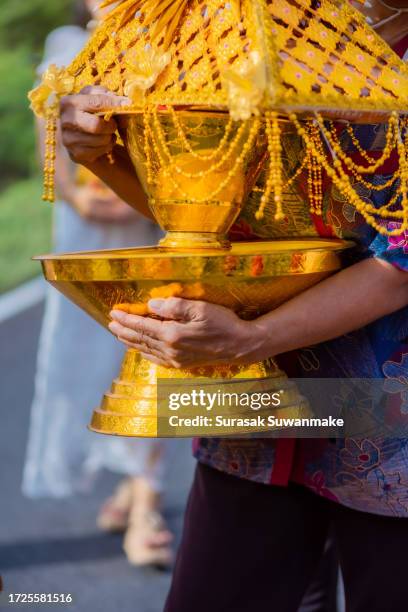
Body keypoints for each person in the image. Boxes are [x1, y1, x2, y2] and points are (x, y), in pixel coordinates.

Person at [57, 1, 408, 609]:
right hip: (252, 411)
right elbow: (209, 208)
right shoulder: (256, 27)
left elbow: (400, 263)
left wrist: (252, 338)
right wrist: (100, 152)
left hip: (387, 414)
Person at [23, 0, 175, 569]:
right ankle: (129, 485)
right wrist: (82, 192)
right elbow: (54, 150)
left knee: (151, 359)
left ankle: (148, 503)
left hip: (153, 228)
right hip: (86, 236)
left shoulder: (171, 44)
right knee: (86, 368)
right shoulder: (65, 48)